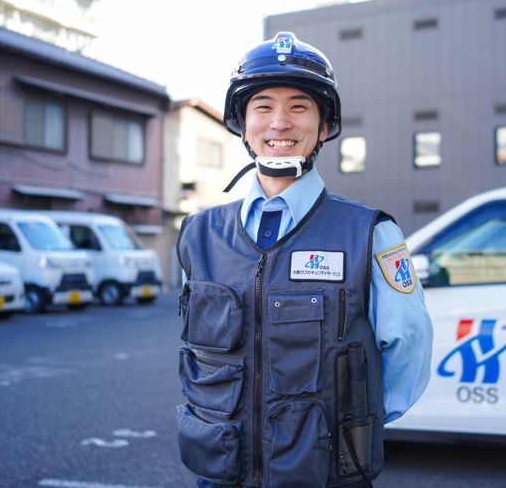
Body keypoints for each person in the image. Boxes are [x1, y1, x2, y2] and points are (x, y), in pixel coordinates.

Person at [175, 32, 433, 488]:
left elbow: (408, 345)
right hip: (220, 471)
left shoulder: (369, 233)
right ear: (241, 124)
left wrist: (358, 421)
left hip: (326, 472)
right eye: (262, 107)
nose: (279, 123)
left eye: (299, 107)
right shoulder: (199, 234)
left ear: (325, 125)